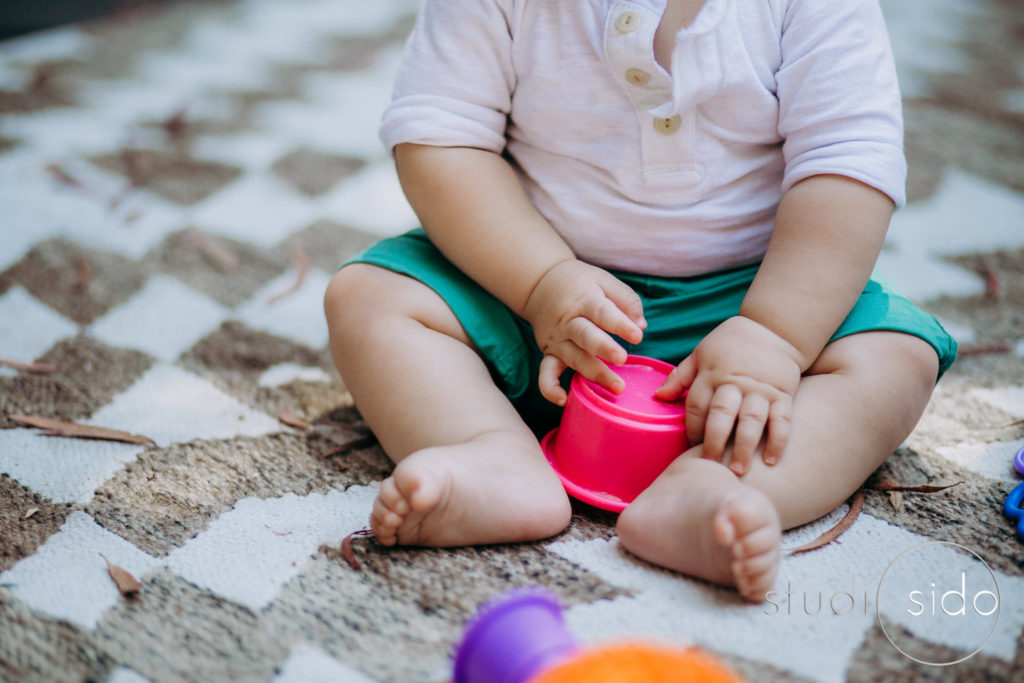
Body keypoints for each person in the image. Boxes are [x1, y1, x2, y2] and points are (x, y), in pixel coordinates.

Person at [323, 0, 957, 601]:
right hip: (526, 294)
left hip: (751, 308)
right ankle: (488, 451)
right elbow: (441, 140)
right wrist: (541, 280)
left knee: (895, 357)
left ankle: (710, 489)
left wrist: (776, 335)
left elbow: (846, 163)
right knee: (370, 297)